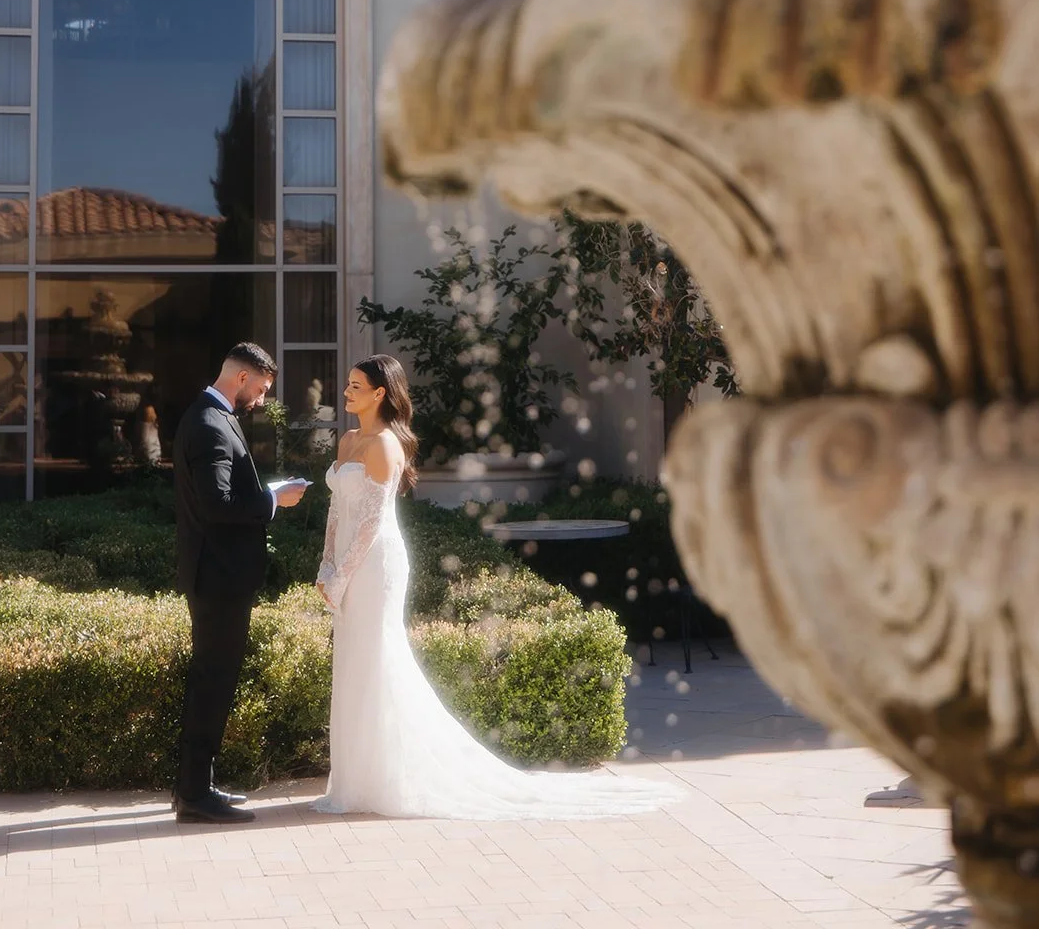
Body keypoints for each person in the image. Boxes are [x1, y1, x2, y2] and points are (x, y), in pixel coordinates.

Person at [313, 353, 679, 820]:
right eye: (348, 384)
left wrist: (343, 574)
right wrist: (326, 566)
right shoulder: (348, 440)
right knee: (352, 661)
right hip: (347, 562)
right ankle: (354, 781)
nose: (346, 392)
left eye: (356, 386)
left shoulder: (385, 445)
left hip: (374, 564)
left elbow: (369, 523)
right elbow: (338, 511)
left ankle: (386, 778)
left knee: (377, 659)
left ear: (380, 393)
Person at [172, 342, 309, 824]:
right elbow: (219, 504)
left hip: (216, 573)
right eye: (263, 389)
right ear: (243, 378)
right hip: (219, 577)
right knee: (213, 680)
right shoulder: (211, 423)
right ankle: (194, 795)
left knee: (212, 678)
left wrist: (265, 492)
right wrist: (274, 502)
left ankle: (196, 786)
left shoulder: (211, 414)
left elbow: (222, 495)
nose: (263, 399)